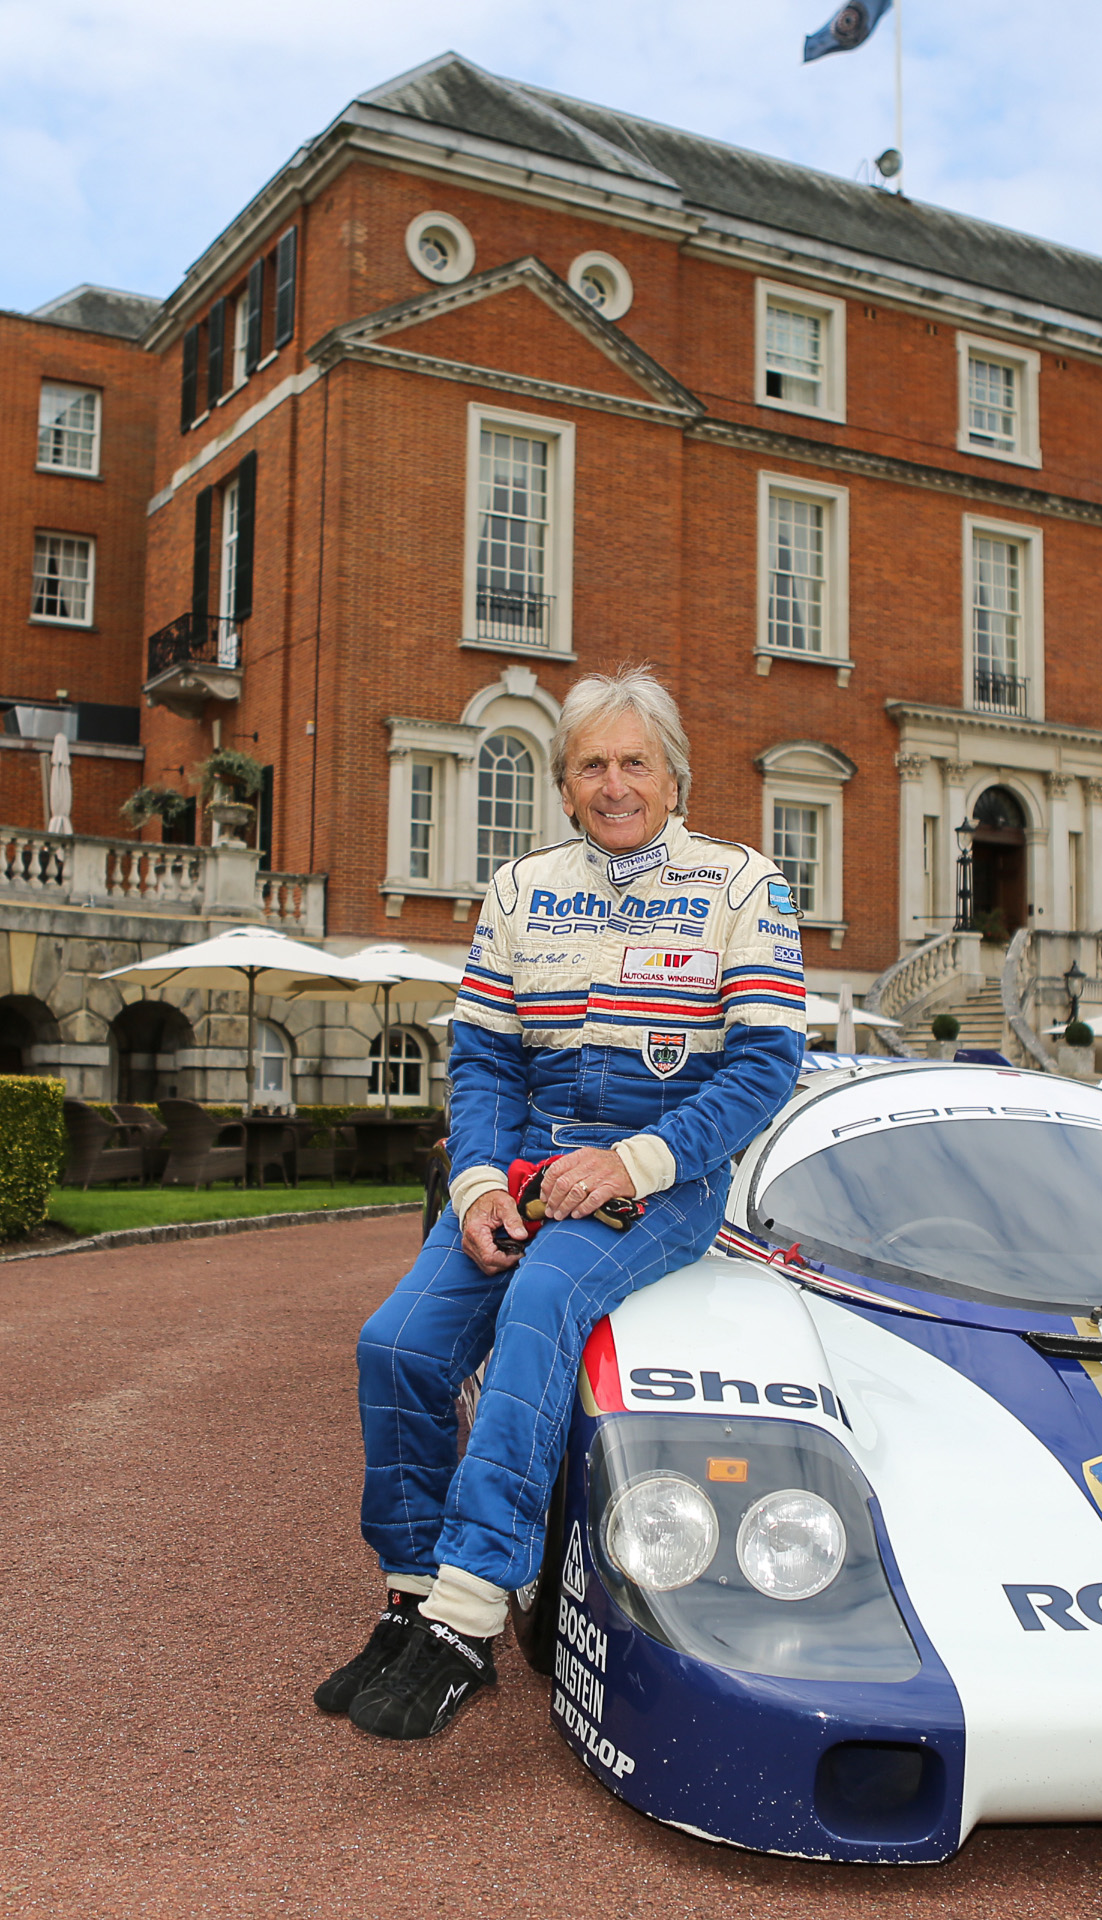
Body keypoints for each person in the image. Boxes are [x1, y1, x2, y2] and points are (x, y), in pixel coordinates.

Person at [318, 665, 806, 1741]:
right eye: (591, 764)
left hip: (659, 1177)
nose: (614, 783)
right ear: (563, 781)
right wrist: (482, 1183)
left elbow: (766, 1067)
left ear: (674, 775)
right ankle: (410, 1600)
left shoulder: (742, 886)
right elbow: (484, 1062)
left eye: (635, 762)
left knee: (541, 1309)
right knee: (393, 1346)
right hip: (527, 1163)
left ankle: (467, 1611)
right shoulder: (518, 888)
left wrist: (634, 1161)